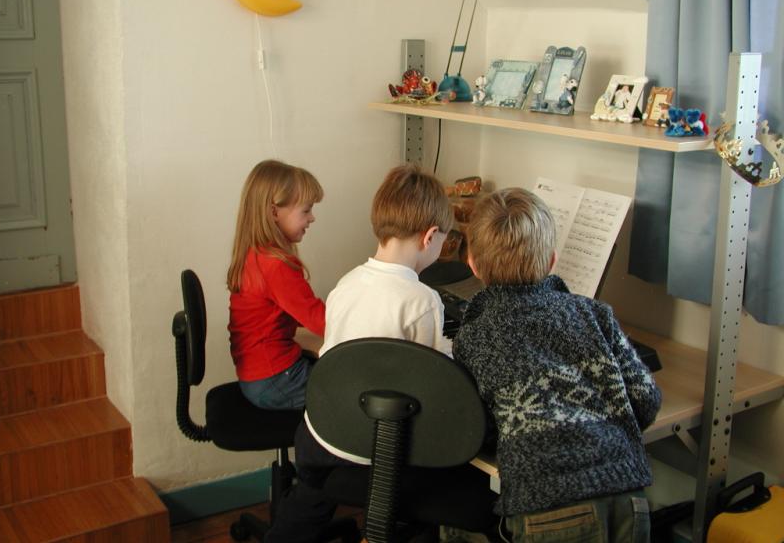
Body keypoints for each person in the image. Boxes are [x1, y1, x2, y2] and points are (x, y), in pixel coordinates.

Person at [265, 164, 492, 542]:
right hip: (375, 448)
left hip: (321, 434)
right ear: (430, 237)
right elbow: (436, 384)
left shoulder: (346, 284)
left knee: (309, 503)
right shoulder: (421, 300)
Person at [453, 187, 662, 543]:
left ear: (472, 263)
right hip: (627, 495)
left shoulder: (474, 338)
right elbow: (646, 400)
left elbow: (479, 429)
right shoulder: (594, 313)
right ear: (552, 261)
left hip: (548, 508)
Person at [226, 159, 324, 410]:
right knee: (353, 390)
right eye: (306, 210)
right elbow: (318, 320)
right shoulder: (276, 265)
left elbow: (289, 313)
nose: (312, 218)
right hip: (275, 379)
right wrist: (362, 323)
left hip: (258, 377)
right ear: (273, 213)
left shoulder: (255, 256)